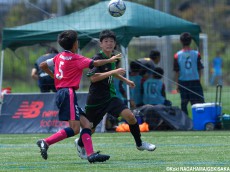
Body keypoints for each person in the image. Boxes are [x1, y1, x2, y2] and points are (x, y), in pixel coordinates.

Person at [37, 30, 122, 163]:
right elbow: (95, 63)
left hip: (62, 93)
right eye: (77, 41)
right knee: (75, 129)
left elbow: (42, 65)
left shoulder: (59, 56)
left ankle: (91, 154)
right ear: (75, 44)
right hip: (68, 93)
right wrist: (110, 60)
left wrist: (56, 77)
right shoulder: (77, 58)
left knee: (86, 124)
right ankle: (46, 142)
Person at [75, 29, 156, 160]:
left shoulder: (112, 57)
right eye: (106, 41)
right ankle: (79, 144)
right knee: (90, 128)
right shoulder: (97, 58)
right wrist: (114, 72)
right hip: (96, 100)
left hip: (110, 97)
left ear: (115, 43)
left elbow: (112, 71)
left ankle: (140, 144)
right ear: (100, 44)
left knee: (130, 116)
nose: (109, 44)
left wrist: (126, 80)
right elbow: (93, 78)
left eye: (111, 41)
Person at [173, 32, 205, 115]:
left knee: (184, 104)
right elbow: (199, 69)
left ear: (181, 41)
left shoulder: (177, 55)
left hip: (183, 82)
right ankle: (199, 121)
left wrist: (177, 85)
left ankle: (186, 124)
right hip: (195, 82)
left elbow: (177, 71)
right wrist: (199, 80)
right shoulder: (196, 54)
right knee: (199, 103)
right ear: (191, 41)